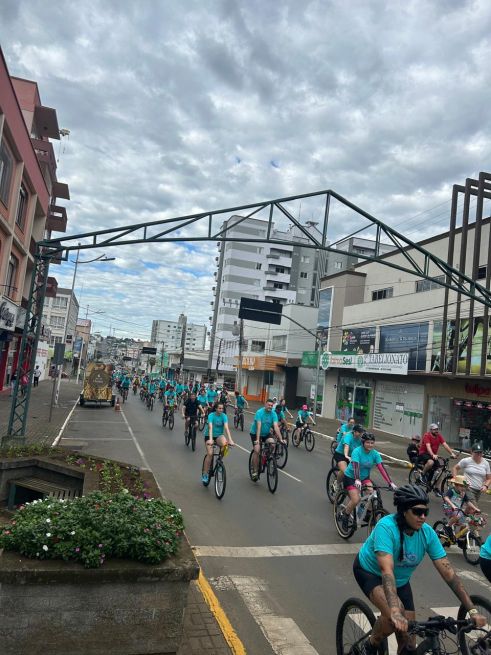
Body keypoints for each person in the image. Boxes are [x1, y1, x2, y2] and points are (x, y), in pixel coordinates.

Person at [353, 484, 486, 655]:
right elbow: (387, 571)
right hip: (370, 572)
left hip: (401, 581)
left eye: (425, 512)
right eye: (417, 512)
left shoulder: (427, 534)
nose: (422, 517)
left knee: (409, 640)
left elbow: (449, 574)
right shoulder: (386, 528)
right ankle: (370, 645)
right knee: (395, 618)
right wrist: (395, 612)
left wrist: (472, 610)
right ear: (403, 511)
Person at [339, 432, 397, 532]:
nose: (370, 445)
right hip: (351, 477)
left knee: (373, 494)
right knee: (356, 499)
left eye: (372, 443)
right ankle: (345, 515)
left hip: (365, 477)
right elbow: (356, 466)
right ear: (363, 442)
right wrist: (357, 479)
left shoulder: (375, 454)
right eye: (368, 442)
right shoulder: (357, 451)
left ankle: (368, 514)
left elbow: (381, 468)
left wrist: (390, 482)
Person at [250, 398, 285, 481]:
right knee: (257, 450)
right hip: (255, 433)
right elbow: (258, 427)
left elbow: (276, 427)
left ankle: (265, 457)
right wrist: (257, 440)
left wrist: (281, 439)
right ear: (265, 404)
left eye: (271, 406)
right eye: (268, 405)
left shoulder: (273, 414)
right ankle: (254, 470)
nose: (270, 407)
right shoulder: (259, 412)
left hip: (266, 433)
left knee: (272, 444)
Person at [202, 402, 235, 484]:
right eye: (219, 408)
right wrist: (210, 439)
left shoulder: (224, 416)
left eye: (222, 408)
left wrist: (230, 439)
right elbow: (210, 427)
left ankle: (219, 461)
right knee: (210, 454)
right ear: (216, 408)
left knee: (225, 445)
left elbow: (226, 428)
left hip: (219, 436)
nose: (221, 410)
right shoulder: (211, 415)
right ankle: (205, 474)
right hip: (209, 435)